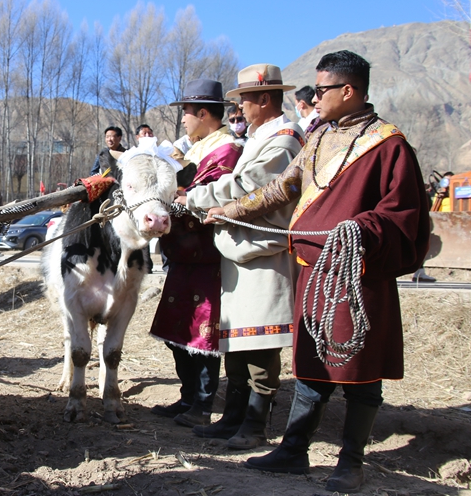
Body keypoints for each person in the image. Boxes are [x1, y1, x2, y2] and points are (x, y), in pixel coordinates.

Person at [205, 51, 430, 493]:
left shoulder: (389, 145)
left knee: (359, 371)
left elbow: (403, 215)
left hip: (357, 276)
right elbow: (283, 187)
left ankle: (351, 462)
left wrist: (360, 228)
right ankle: (294, 450)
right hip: (311, 271)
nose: (314, 97)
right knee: (311, 369)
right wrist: (229, 209)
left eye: (323, 89)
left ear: (349, 91)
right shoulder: (319, 136)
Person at [182, 64, 303, 450]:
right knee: (236, 342)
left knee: (260, 344)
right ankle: (234, 417)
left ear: (264, 100)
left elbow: (248, 185)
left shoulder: (283, 141)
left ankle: (254, 425)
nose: (240, 109)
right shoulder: (260, 137)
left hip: (263, 254)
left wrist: (195, 199)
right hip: (242, 250)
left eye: (245, 100)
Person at [149, 79, 244, 428]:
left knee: (203, 333)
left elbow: (209, 197)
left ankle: (202, 405)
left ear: (203, 113)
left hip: (206, 256)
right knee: (178, 330)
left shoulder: (227, 151)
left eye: (186, 113)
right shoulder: (198, 148)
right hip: (185, 254)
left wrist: (179, 191)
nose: (184, 121)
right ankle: (189, 397)